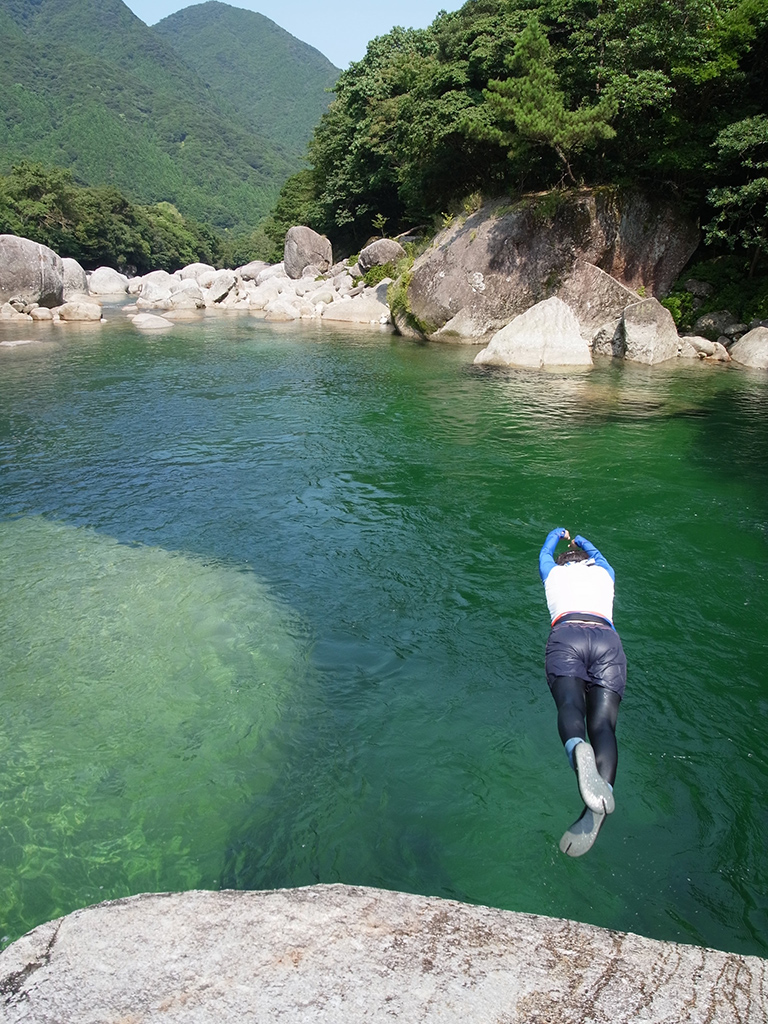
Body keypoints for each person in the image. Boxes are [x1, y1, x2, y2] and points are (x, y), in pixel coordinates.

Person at [538, 527, 627, 857]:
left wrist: (556, 534)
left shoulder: (553, 573)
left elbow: (544, 552)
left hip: (568, 634)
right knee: (603, 726)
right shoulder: (605, 572)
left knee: (570, 705)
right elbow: (598, 552)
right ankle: (599, 804)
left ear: (562, 563)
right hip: (607, 640)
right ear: (589, 561)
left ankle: (577, 749)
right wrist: (581, 541)